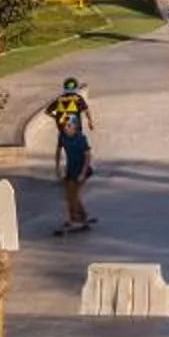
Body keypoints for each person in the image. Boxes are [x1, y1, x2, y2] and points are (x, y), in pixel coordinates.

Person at [46, 77, 98, 233]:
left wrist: (58, 118)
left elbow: (88, 156)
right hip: (71, 168)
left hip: (81, 169)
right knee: (69, 194)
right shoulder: (63, 135)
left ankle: (76, 219)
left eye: (70, 126)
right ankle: (79, 218)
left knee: (73, 195)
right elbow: (57, 151)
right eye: (67, 126)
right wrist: (57, 168)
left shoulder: (80, 138)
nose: (68, 128)